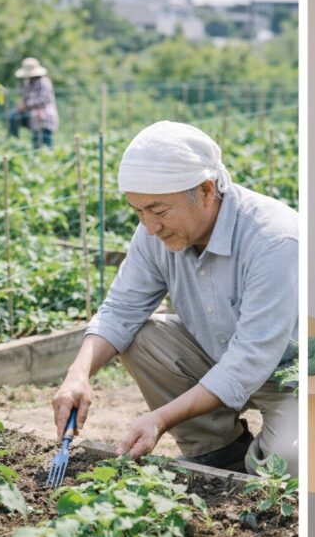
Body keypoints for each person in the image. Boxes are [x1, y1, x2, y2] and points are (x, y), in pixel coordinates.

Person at [50, 121, 299, 476]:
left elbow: (250, 359)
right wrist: (78, 374)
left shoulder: (273, 240)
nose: (150, 227)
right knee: (140, 334)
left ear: (207, 191)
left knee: (287, 464)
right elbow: (120, 310)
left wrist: (160, 419)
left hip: (288, 379)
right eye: (139, 212)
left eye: (159, 210)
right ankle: (218, 449)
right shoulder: (154, 234)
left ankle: (260, 458)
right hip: (215, 358)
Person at [7, 57, 58, 149]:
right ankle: (13, 142)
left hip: (45, 117)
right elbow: (25, 98)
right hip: (33, 117)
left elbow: (44, 100)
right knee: (12, 116)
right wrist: (21, 104)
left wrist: (27, 105)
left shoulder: (44, 82)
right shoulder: (28, 83)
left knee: (45, 142)